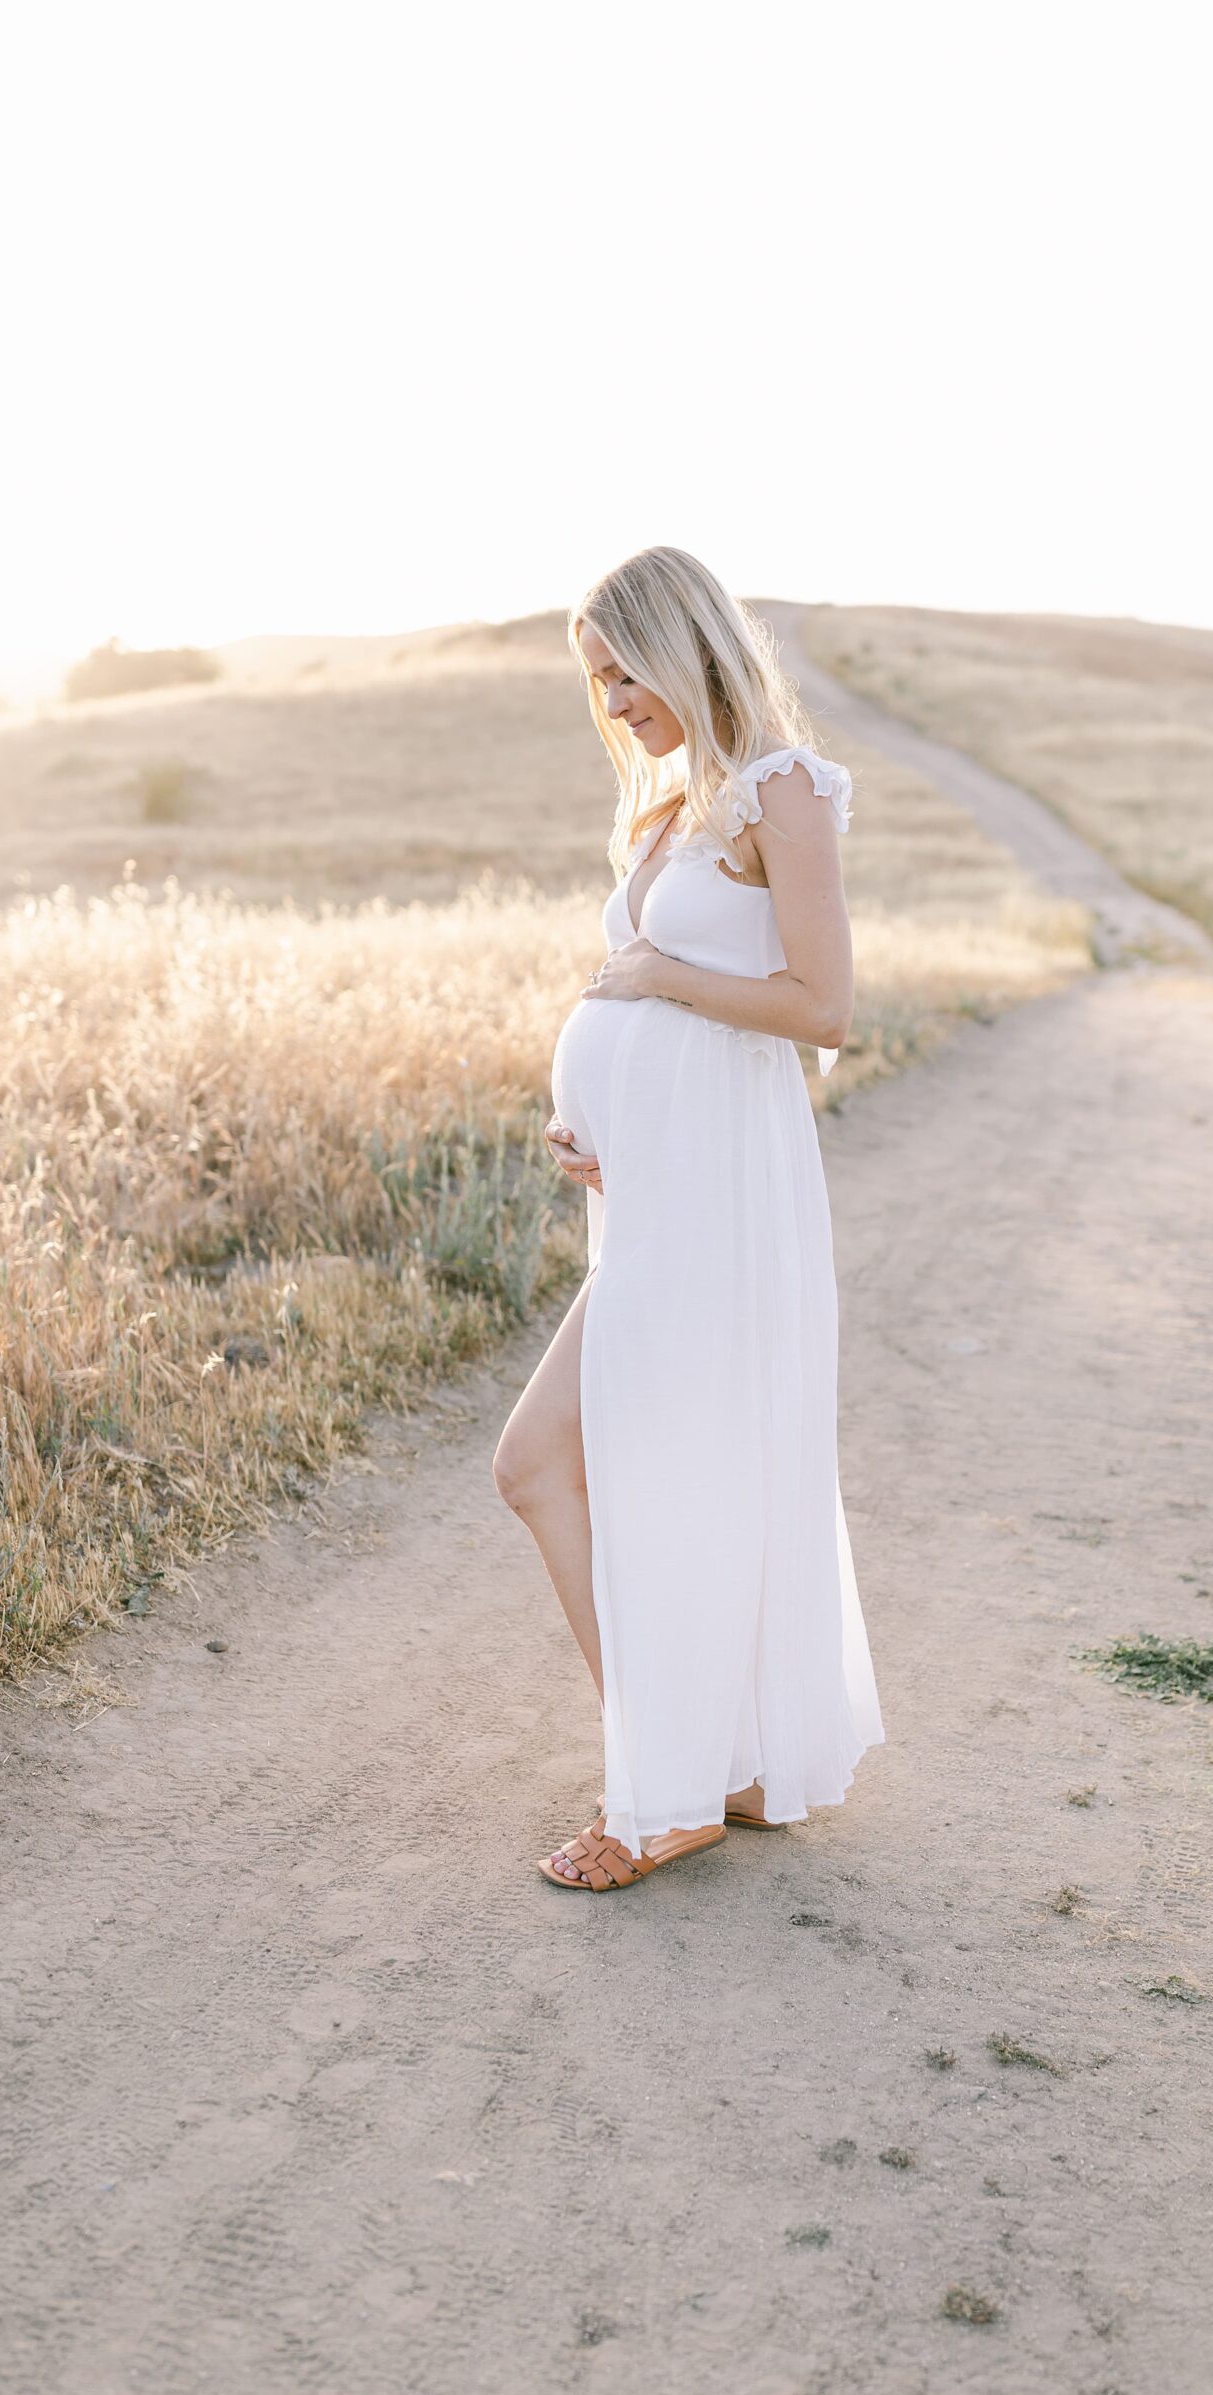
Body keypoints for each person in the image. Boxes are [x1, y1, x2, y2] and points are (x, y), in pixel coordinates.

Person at [492, 545, 882, 1890]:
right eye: (593, 680)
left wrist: (653, 977)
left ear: (684, 644)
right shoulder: (663, 809)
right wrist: (599, 1120)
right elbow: (651, 1009)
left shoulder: (781, 789)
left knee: (548, 1463)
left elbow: (821, 1009)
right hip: (657, 1190)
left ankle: (664, 1791)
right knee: (648, 1464)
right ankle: (721, 1763)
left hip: (723, 1199)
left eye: (623, 670)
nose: (611, 701)